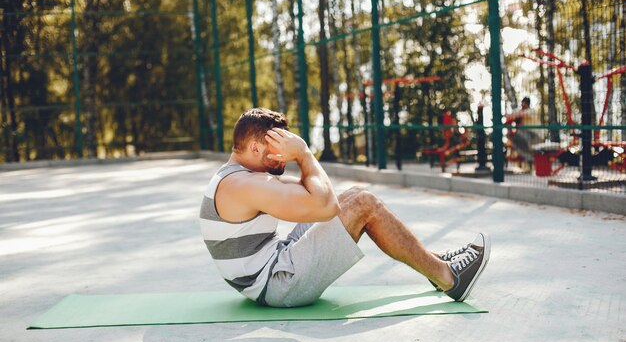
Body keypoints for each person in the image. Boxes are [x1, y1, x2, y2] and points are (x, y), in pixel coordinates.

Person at [199, 108, 491, 308]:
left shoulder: (241, 177)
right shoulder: (244, 185)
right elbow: (325, 206)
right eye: (277, 150)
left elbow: (317, 194)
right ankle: (450, 278)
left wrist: (302, 158)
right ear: (254, 148)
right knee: (364, 204)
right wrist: (303, 153)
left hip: (270, 268)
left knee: (354, 196)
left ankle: (431, 261)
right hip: (276, 284)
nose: (282, 158)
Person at [504, 96, 542, 162]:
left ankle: (528, 156)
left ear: (526, 104)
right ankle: (525, 156)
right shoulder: (521, 113)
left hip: (534, 135)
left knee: (516, 134)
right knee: (511, 136)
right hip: (526, 135)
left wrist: (511, 116)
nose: (521, 106)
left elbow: (519, 115)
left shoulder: (530, 111)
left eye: (523, 104)